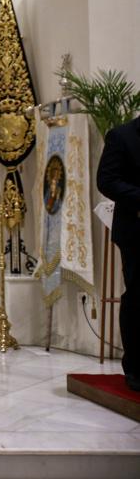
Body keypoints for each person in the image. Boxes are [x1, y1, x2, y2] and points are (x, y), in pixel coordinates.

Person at [97, 115, 140, 391]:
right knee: (138, 297)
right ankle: (136, 367)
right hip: (137, 230)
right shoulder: (122, 136)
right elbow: (107, 180)